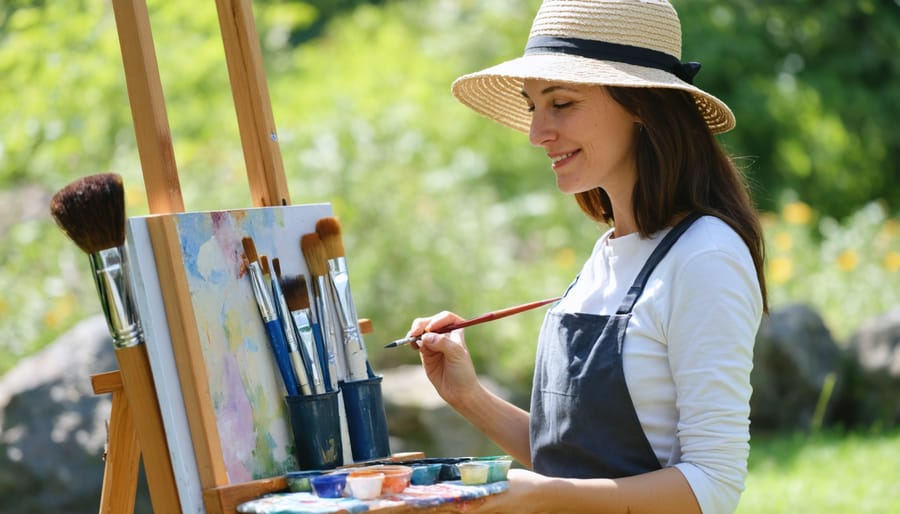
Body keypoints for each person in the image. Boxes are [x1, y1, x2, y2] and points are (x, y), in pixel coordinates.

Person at [405, 1, 767, 513]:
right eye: (533, 106)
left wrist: (544, 496)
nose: (537, 133)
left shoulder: (705, 255)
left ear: (641, 104)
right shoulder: (608, 253)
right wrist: (469, 396)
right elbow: (571, 463)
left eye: (563, 103)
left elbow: (712, 487)